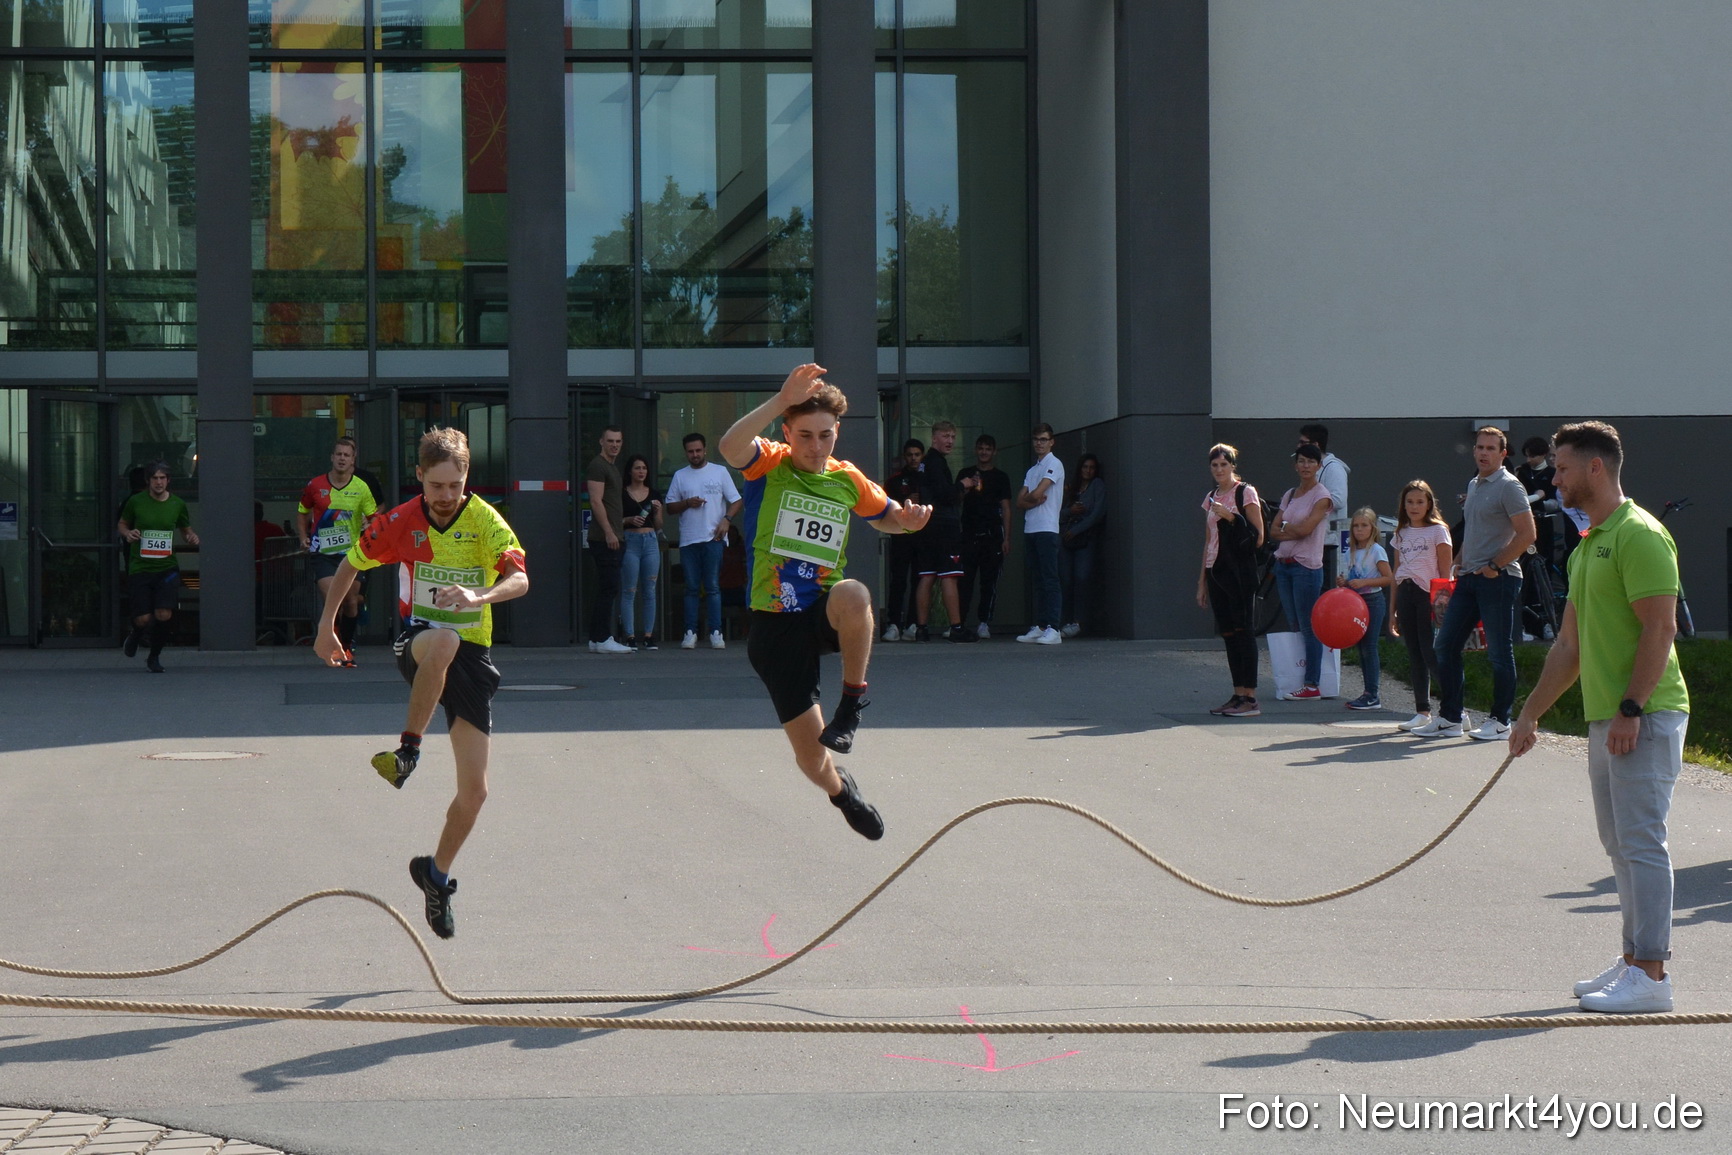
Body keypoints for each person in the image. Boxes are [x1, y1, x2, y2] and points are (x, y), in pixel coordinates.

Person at [314, 426, 528, 940]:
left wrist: (480, 598)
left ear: (466, 478)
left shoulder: (485, 522)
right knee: (445, 641)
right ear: (420, 479)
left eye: (454, 485)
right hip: (420, 644)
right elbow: (349, 564)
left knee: (475, 793)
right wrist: (327, 628)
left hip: (473, 655)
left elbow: (521, 579)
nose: (445, 497)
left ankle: (435, 874)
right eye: (436, 486)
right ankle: (407, 751)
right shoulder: (400, 521)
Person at [1510, 420, 1689, 1014]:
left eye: (1560, 467)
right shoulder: (1590, 544)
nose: (1552, 476)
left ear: (1594, 468)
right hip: (1608, 719)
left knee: (1641, 843)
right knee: (1619, 845)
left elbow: (1659, 628)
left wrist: (1631, 709)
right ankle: (1634, 959)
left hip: (1645, 714)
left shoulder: (1639, 534)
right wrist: (1529, 716)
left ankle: (1654, 976)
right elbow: (1569, 646)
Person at [718, 363, 931, 842]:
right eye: (805, 436)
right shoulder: (769, 463)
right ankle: (841, 791)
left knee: (855, 592)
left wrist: (910, 522)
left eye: (826, 436)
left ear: (838, 434)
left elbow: (888, 518)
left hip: (822, 609)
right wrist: (779, 399)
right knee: (813, 760)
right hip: (775, 625)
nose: (816, 448)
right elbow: (730, 447)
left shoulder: (846, 478)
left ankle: (852, 705)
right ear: (787, 432)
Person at [1413, 426, 1536, 740]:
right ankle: (1452, 718)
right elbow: (1473, 530)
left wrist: (1495, 565)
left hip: (1499, 579)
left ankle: (1500, 721)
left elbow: (1527, 535)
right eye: (1479, 447)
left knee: (1498, 651)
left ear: (1503, 454)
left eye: (1490, 448)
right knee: (1445, 644)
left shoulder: (1510, 486)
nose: (1483, 453)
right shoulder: (1474, 483)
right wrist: (1458, 560)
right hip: (1468, 578)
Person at [296, 436, 378, 666]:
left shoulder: (361, 488)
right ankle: (333, 647)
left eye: (347, 455)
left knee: (351, 601)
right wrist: (303, 537)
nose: (342, 458)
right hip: (323, 554)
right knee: (334, 600)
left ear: (353, 460)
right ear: (332, 457)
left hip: (351, 555)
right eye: (338, 454)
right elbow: (302, 512)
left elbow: (375, 518)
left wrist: (369, 525)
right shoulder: (315, 485)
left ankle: (347, 646)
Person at [1197, 444, 1265, 717]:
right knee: (1228, 634)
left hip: (1239, 572)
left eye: (1224, 465)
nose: (1219, 470)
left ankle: (1250, 697)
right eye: (1215, 465)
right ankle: (1238, 693)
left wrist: (1231, 517)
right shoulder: (1211, 497)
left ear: (1233, 466)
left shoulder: (1245, 492)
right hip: (1217, 570)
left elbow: (1258, 536)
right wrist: (1201, 581)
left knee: (1243, 631)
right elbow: (1208, 541)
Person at [117, 462, 200, 673]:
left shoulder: (177, 504)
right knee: (144, 618)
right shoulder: (136, 502)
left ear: (168, 481)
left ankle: (154, 656)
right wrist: (128, 534)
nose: (159, 482)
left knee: (164, 614)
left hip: (167, 567)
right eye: (155, 478)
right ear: (148, 481)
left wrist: (191, 537)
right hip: (141, 567)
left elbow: (185, 529)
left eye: (163, 478)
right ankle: (136, 634)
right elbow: (122, 524)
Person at [664, 431, 742, 650]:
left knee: (713, 587)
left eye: (698, 450)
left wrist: (726, 520)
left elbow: (736, 500)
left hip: (713, 538)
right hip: (689, 539)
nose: (695, 455)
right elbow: (670, 507)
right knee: (691, 587)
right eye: (691, 452)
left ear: (705, 449)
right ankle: (690, 632)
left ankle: (716, 632)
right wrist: (688, 503)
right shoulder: (680, 475)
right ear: (686, 453)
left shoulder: (720, 472)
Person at [1267, 443, 1333, 698]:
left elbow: (1307, 530)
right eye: (1301, 461)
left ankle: (1313, 683)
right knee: (1294, 623)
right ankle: (1298, 677)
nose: (1305, 466)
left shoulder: (1322, 495)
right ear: (1296, 465)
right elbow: (1272, 530)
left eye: (1310, 461)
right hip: (1284, 566)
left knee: (1309, 626)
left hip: (1306, 568)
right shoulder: (1291, 493)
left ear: (1318, 466)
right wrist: (1289, 531)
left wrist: (1286, 530)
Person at [1387, 480, 1453, 731]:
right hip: (1406, 593)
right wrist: (1392, 611)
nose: (1414, 507)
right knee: (1414, 654)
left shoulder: (1439, 531)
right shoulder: (1401, 533)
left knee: (1431, 653)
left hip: (1429, 595)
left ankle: (1454, 708)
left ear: (1429, 504)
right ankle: (1422, 710)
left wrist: (1442, 606)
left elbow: (1445, 573)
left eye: (1420, 502)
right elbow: (1396, 572)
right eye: (1410, 502)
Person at [911, 420, 974, 643]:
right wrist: (963, 485)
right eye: (945, 436)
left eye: (952, 437)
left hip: (926, 526)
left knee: (927, 575)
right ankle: (956, 627)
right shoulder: (935, 463)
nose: (950, 441)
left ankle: (921, 628)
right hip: (944, 527)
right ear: (934, 438)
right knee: (949, 576)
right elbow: (945, 494)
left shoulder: (925, 464)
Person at [956, 433, 1013, 639]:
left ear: (994, 452)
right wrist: (968, 486)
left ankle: (984, 622)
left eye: (988, 449)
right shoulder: (966, 473)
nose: (984, 452)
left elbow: (1006, 508)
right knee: (964, 581)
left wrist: (1007, 538)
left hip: (992, 536)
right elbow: (956, 499)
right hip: (969, 535)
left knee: (989, 582)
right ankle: (958, 623)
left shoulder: (1001, 477)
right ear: (975, 450)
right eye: (981, 448)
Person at [1338, 507, 1394, 710]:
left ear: (1373, 528)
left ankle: (1373, 694)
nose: (1359, 530)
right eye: (1356, 526)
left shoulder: (1376, 550)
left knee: (1369, 647)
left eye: (1364, 525)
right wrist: (1344, 582)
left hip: (1372, 600)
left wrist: (1364, 582)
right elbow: (1353, 577)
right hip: (1356, 603)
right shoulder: (1351, 551)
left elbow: (1388, 578)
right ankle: (1367, 692)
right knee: (1361, 648)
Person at [1015, 424, 1066, 645]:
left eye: (1044, 439)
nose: (1039, 443)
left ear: (1051, 441)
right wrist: (1032, 500)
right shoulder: (1032, 470)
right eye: (1036, 439)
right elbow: (1020, 501)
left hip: (1047, 528)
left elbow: (1037, 492)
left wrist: (1032, 498)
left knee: (1049, 578)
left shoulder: (1054, 464)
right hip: (1031, 528)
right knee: (1038, 579)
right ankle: (1041, 624)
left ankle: (1054, 627)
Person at [584, 426, 633, 654]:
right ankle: (603, 637)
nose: (615, 445)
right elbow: (596, 501)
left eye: (618, 441)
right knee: (609, 588)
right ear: (601, 442)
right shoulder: (598, 465)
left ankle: (596, 638)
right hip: (605, 538)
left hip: (613, 535)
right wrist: (609, 532)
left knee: (607, 587)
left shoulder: (611, 467)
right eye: (611, 441)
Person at [1516, 434, 1559, 640]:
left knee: (1544, 572)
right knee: (1524, 573)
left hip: (1544, 528)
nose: (1529, 460)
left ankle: (1547, 622)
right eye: (1527, 456)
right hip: (1525, 527)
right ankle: (1525, 623)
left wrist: (1538, 499)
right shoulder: (1521, 472)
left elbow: (1549, 499)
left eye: (1532, 456)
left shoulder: (1552, 473)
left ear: (1542, 455)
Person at [618, 454, 664, 650]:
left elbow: (659, 525)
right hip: (630, 541)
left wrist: (658, 511)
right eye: (637, 468)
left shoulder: (654, 493)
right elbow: (615, 521)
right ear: (630, 471)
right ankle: (629, 635)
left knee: (649, 590)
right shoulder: (622, 493)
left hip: (651, 540)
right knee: (629, 590)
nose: (641, 472)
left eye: (644, 468)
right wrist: (629, 520)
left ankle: (648, 635)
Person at [1058, 453, 1106, 638]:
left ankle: (1079, 621)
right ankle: (1065, 620)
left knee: (1082, 578)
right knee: (1066, 579)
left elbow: (1097, 514)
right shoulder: (1071, 487)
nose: (1088, 471)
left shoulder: (1097, 486)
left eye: (1091, 467)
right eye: (1085, 467)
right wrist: (1070, 511)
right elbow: (1058, 512)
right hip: (1066, 538)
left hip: (1085, 538)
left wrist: (1077, 530)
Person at [880, 439, 924, 641]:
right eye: (910, 454)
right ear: (905, 457)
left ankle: (914, 624)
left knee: (919, 580)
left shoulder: (929, 478)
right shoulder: (895, 480)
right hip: (900, 537)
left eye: (917, 454)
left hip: (923, 537)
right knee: (898, 581)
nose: (913, 458)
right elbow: (885, 507)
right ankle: (894, 624)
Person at [1299, 423, 1350, 586]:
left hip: (1329, 542)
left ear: (1315, 445)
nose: (1298, 446)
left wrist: (1312, 506)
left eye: (1302, 442)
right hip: (1313, 542)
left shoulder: (1333, 468)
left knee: (1326, 588)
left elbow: (1339, 499)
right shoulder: (1312, 469)